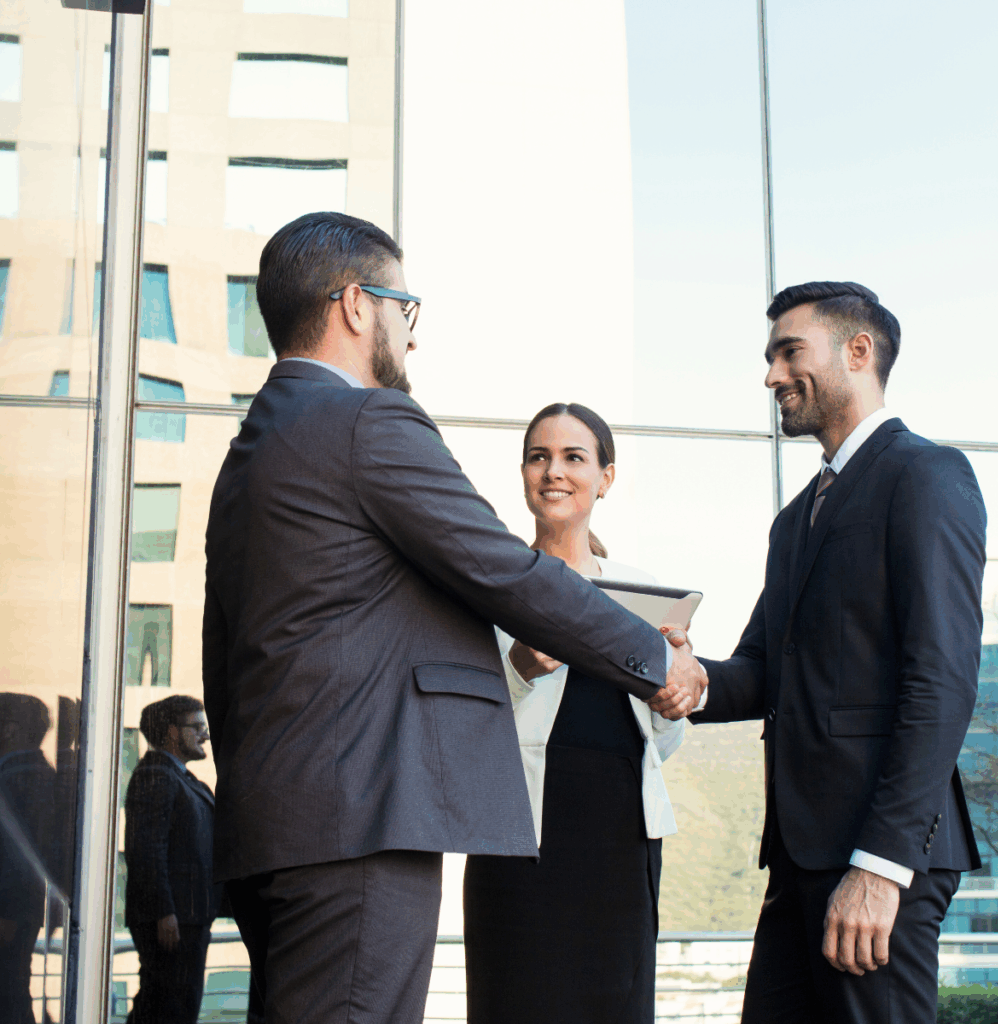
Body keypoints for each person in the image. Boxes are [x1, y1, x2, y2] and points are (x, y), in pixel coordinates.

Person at [202, 211, 707, 1024]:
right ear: (357, 306)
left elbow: (223, 657)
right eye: (408, 310)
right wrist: (657, 656)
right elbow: (506, 572)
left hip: (278, 826)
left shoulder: (251, 451)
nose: (412, 337)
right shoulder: (367, 421)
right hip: (361, 822)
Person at [680, 281, 985, 1024]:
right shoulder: (795, 520)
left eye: (789, 352)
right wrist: (678, 675)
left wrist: (881, 868)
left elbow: (940, 680)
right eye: (769, 356)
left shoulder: (925, 475)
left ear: (859, 351)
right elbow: (758, 674)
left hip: (876, 857)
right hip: (798, 858)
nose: (771, 374)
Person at [463, 403, 693, 1024]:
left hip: (622, 843)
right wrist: (517, 669)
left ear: (605, 478)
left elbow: (659, 744)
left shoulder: (643, 592)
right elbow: (459, 731)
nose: (553, 471)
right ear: (523, 473)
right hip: (519, 839)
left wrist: (672, 703)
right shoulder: (486, 585)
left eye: (573, 457)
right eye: (539, 457)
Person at [125, 695, 222, 1024]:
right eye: (197, 727)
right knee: (169, 1009)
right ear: (171, 732)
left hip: (187, 917)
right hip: (174, 921)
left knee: (169, 1006)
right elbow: (147, 849)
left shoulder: (179, 778)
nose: (205, 735)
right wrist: (163, 912)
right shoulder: (157, 776)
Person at [0, 693, 56, 1024]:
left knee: (9, 998)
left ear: (8, 730)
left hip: (8, 916)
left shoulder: (22, 775)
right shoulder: (26, 773)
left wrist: (9, 915)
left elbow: (27, 855)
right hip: (15, 913)